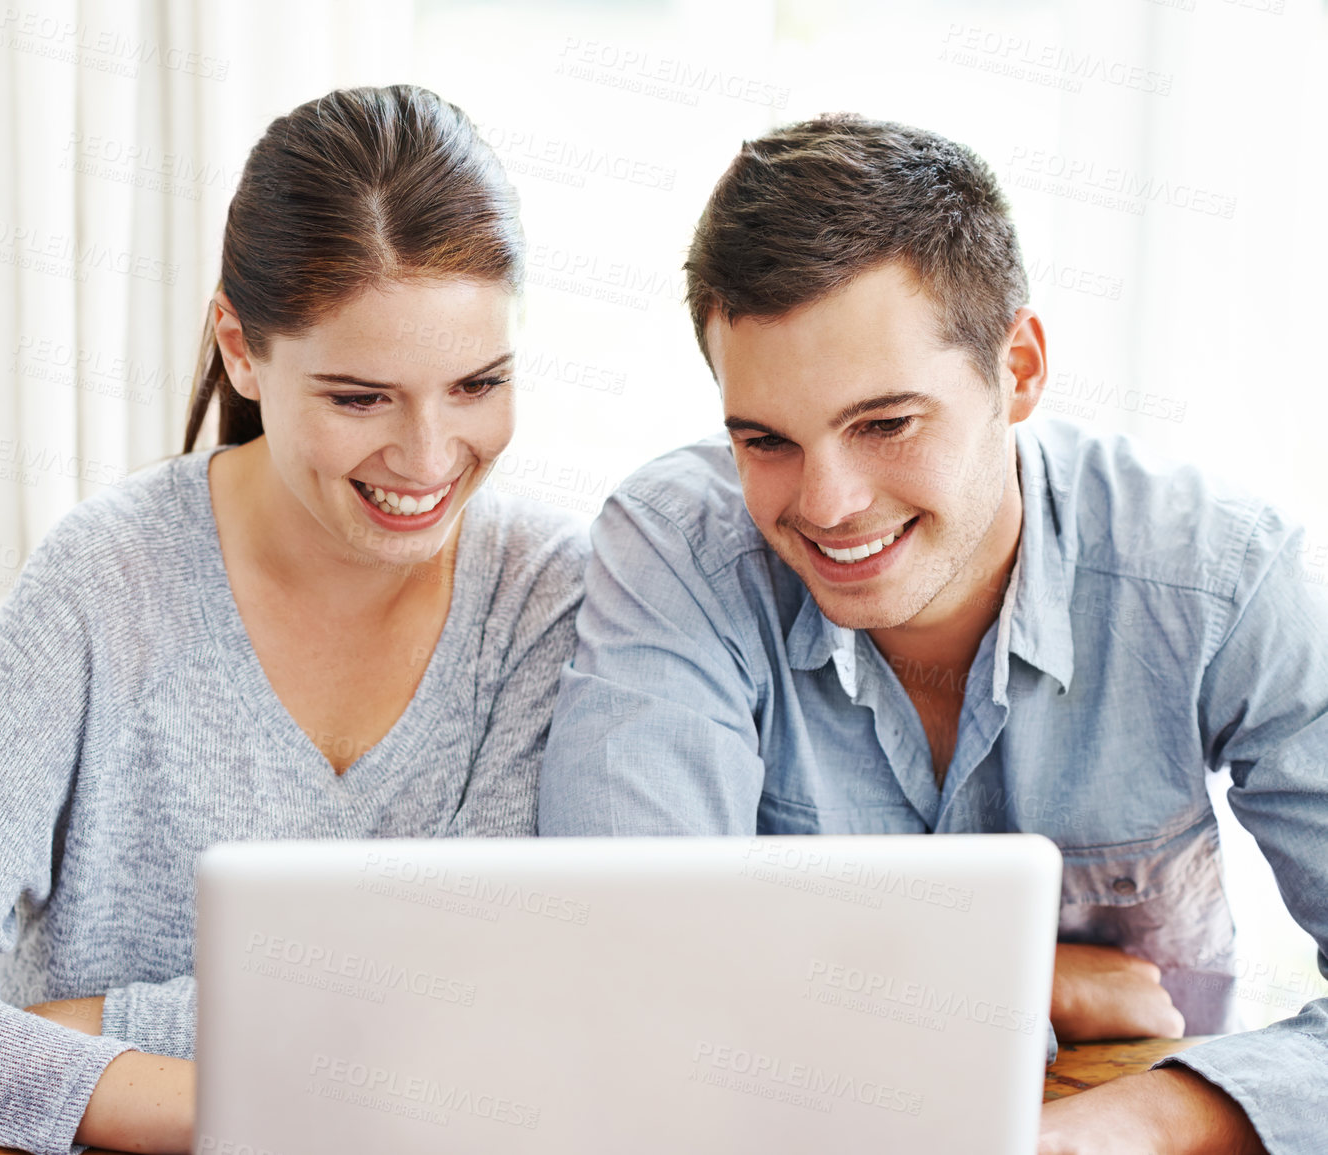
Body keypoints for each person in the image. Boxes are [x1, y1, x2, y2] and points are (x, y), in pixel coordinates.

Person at [0, 85, 586, 1155]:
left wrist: (94, 1032)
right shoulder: (107, 575)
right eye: (361, 398)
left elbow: (468, 1006)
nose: (430, 457)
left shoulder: (546, 594)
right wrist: (268, 1104)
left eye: (478, 384)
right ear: (242, 347)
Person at [539, 113, 1326, 1155]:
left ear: (1022, 369)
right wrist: (1027, 982)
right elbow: (629, 972)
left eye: (886, 424)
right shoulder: (680, 550)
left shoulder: (1215, 576)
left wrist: (1127, 1125)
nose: (827, 504)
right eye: (765, 439)